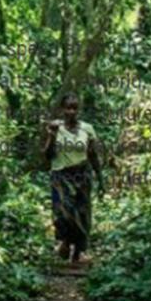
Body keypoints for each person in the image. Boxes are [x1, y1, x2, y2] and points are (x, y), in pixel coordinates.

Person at [42, 92, 103, 264]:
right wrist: (52, 136)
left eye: (74, 108)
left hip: (81, 175)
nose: (71, 111)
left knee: (82, 213)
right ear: (62, 109)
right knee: (63, 213)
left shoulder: (87, 129)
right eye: (68, 108)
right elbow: (46, 155)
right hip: (60, 175)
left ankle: (77, 253)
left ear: (79, 110)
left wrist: (100, 178)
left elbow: (93, 155)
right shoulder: (55, 128)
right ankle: (66, 242)